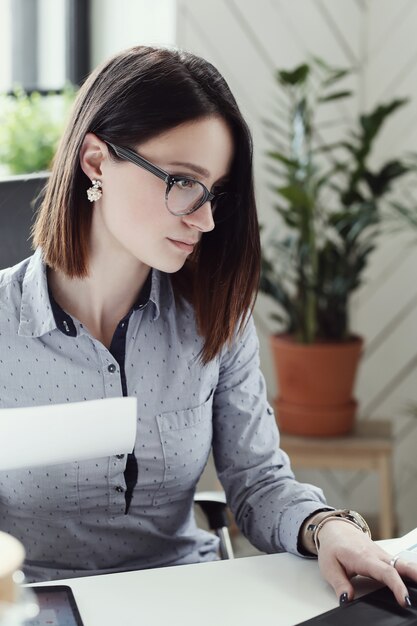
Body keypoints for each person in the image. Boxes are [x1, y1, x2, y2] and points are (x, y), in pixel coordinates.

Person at [0, 45, 415, 606]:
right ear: (96, 161)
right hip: (36, 605)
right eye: (182, 181)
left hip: (187, 597)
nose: (206, 217)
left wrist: (328, 528)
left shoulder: (213, 312)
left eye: (214, 191)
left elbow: (259, 480)